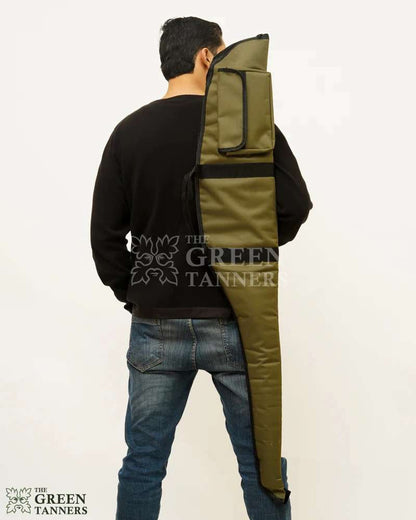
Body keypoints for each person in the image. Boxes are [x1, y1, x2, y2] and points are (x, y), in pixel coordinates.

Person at [90, 16, 313, 520]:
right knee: (261, 464)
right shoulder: (247, 127)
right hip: (236, 319)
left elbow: (104, 237)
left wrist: (137, 290)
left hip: (155, 323)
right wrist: (247, 250)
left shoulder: (128, 132)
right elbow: (295, 205)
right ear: (207, 57)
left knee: (143, 464)